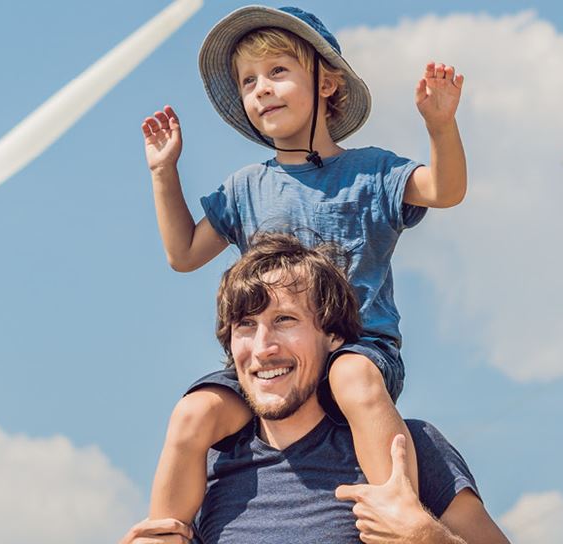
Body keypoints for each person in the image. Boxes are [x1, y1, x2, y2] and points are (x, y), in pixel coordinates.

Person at [141, 5, 468, 524]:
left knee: (355, 379)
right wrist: (164, 173)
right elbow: (183, 254)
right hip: (271, 361)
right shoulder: (245, 186)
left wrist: (441, 127)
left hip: (357, 347)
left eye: (277, 72)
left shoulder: (371, 171)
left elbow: (445, 191)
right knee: (192, 412)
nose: (261, 89)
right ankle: (162, 532)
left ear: (327, 84)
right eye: (248, 82)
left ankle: (396, 505)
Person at [120, 233, 506, 543]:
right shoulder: (207, 472)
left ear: (334, 336)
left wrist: (428, 539)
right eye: (246, 326)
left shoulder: (410, 448)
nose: (263, 347)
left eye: (285, 320)